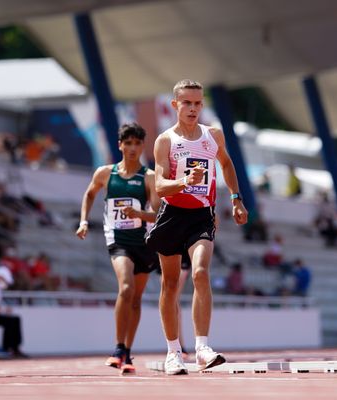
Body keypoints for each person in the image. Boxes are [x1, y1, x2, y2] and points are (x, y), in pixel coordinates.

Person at [147, 79, 248, 375]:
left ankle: (203, 348)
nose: (193, 108)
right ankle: (173, 352)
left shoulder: (213, 136)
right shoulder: (165, 140)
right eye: (187, 103)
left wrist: (236, 198)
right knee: (169, 285)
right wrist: (184, 182)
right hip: (172, 216)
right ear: (175, 105)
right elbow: (162, 186)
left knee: (201, 273)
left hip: (202, 215)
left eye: (198, 103)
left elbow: (227, 165)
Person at [76, 122, 160, 375]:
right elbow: (90, 194)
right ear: (120, 145)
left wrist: (138, 213)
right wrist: (83, 220)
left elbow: (157, 215)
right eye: (129, 143)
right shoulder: (105, 173)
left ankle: (127, 353)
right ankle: (118, 346)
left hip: (144, 243)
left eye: (137, 143)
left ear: (142, 146)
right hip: (118, 240)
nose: (133, 148)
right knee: (125, 287)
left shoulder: (149, 177)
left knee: (136, 299)